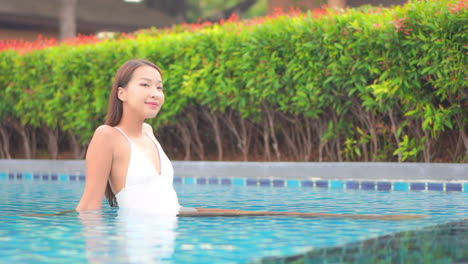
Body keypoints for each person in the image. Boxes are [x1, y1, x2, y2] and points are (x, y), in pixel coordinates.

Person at [74, 59, 423, 221]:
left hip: (174, 222)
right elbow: (89, 207)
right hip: (141, 243)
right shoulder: (107, 136)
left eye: (160, 86)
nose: (156, 93)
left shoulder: (149, 133)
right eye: (145, 84)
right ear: (121, 92)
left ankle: (384, 219)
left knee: (276, 213)